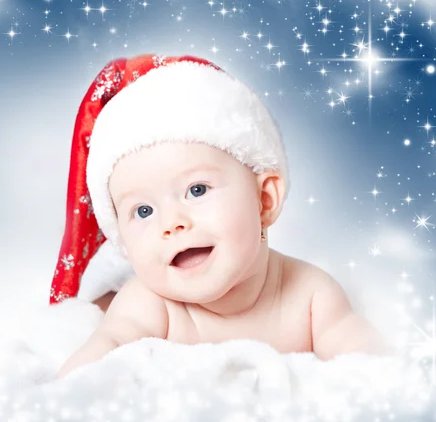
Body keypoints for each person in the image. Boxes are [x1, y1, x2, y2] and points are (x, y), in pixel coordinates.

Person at [49, 54, 390, 379]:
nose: (172, 224)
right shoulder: (149, 305)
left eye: (197, 190)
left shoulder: (311, 296)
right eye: (143, 211)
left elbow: (369, 365)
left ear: (264, 199)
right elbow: (97, 362)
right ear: (123, 241)